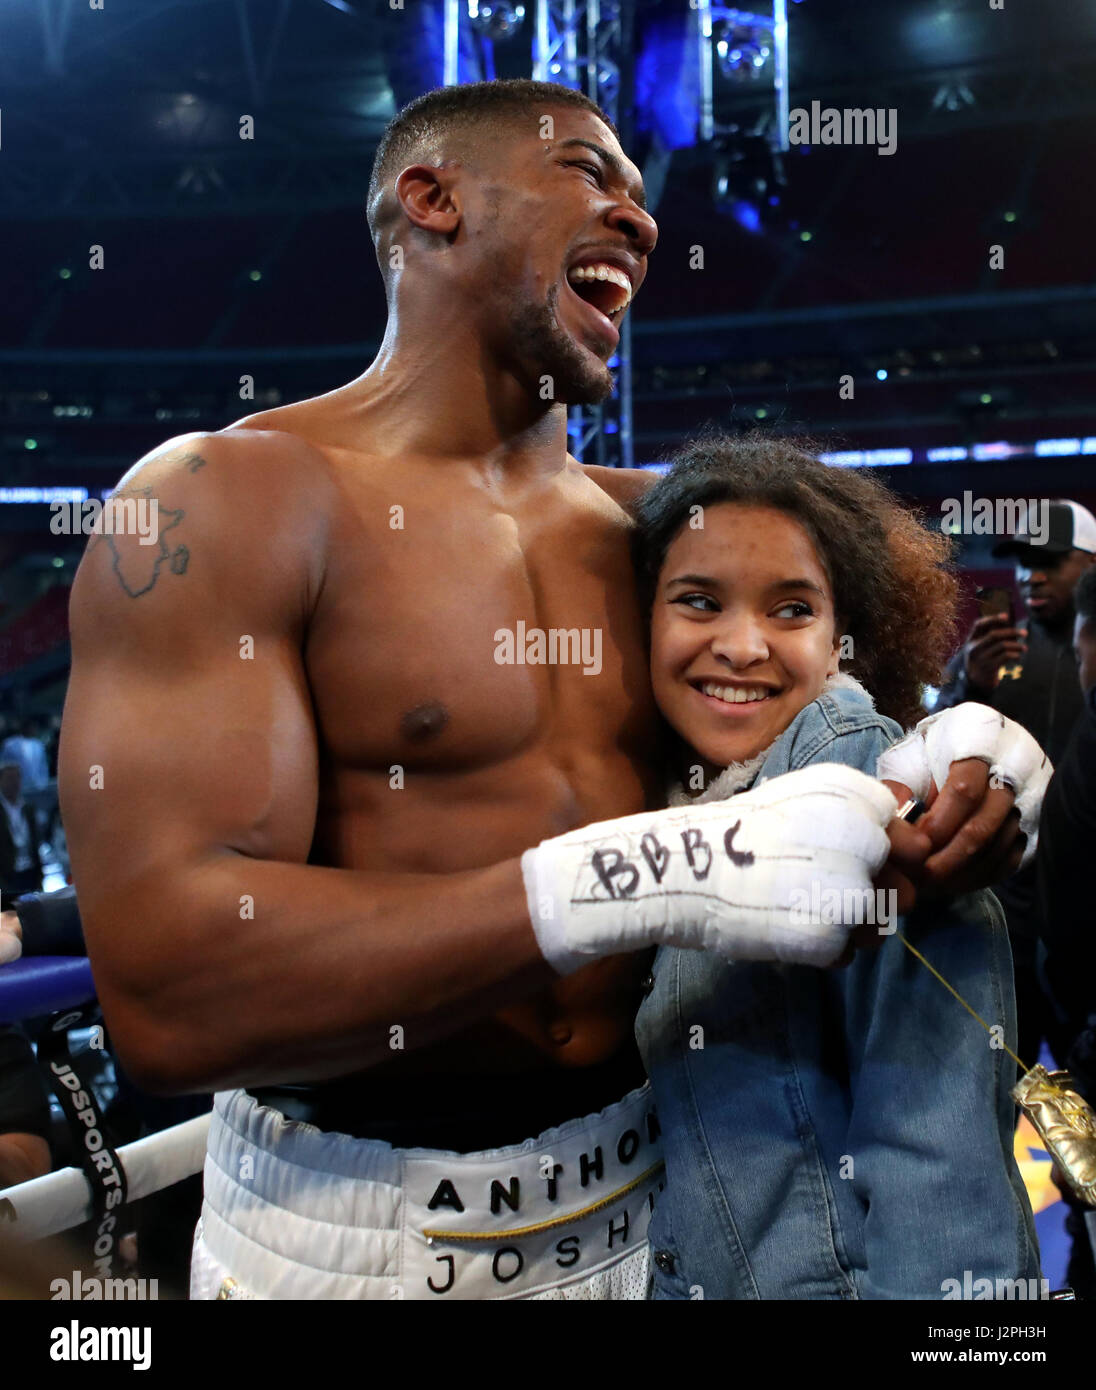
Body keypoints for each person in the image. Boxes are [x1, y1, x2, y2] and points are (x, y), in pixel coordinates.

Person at [60, 79, 1044, 1302]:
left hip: (661, 1211)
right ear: (433, 199)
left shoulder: (661, 538)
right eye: (592, 173)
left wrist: (970, 757)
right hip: (348, 1230)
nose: (637, 217)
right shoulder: (232, 500)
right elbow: (172, 1001)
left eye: (640, 194)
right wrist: (638, 875)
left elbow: (853, 773)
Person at [935, 499, 1096, 1071]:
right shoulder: (985, 656)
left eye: (1050, 561)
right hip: (1003, 918)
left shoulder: (1090, 660)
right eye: (1024, 563)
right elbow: (932, 758)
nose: (1033, 576)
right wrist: (970, 690)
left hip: (1083, 926)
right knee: (994, 1092)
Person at [0, 762, 43, 900]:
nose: (14, 783)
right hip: (8, 875)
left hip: (30, 872)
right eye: (9, 778)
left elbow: (36, 842)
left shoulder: (28, 809)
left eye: (17, 778)